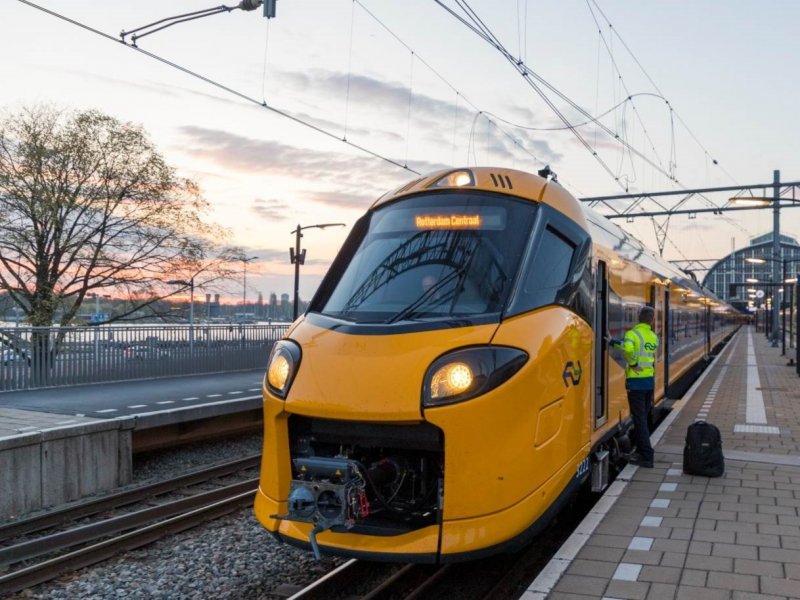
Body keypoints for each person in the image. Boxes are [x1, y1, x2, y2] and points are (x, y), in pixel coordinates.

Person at [609, 306, 659, 468]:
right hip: (649, 382)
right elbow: (641, 349)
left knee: (639, 419)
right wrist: (613, 342)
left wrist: (633, 363)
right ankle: (639, 450)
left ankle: (646, 455)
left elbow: (629, 348)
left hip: (635, 383)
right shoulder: (653, 336)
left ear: (638, 317)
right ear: (652, 320)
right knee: (643, 416)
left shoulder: (632, 334)